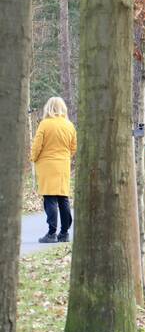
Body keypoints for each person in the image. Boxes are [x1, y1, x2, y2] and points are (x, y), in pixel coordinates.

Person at [31, 97, 77, 244]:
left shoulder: (45, 124)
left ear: (48, 108)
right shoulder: (69, 125)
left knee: (50, 198)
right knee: (63, 198)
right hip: (63, 165)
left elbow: (37, 146)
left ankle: (51, 233)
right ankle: (64, 233)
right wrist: (65, 157)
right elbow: (73, 147)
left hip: (47, 165)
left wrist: (33, 158)